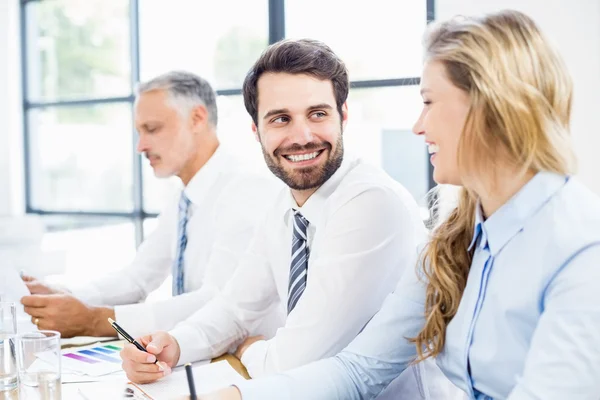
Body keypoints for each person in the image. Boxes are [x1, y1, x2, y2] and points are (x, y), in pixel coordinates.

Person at [200, 9, 600, 400]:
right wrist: (235, 394)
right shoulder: (454, 242)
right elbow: (360, 369)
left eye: (428, 101)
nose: (418, 125)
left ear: (491, 108)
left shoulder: (581, 249)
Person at [119, 39, 456, 397]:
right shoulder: (286, 203)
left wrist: (248, 348)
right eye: (281, 119)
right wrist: (173, 345)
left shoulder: (371, 202)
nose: (302, 137)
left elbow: (294, 363)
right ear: (256, 130)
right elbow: (235, 307)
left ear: (343, 115)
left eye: (318, 114)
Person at [20, 71, 282, 339]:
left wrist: (94, 320)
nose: (141, 146)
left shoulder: (247, 190)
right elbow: (138, 277)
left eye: (152, 129)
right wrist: (66, 295)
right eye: (139, 132)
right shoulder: (184, 198)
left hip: (245, 362)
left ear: (197, 118)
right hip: (201, 355)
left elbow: (216, 302)